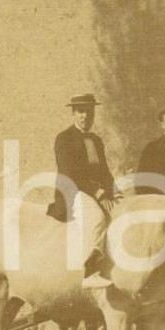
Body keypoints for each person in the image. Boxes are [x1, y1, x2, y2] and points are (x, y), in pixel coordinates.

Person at [46, 93, 116, 289]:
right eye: (81, 112)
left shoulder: (96, 140)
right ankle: (90, 271)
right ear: (74, 114)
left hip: (95, 192)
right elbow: (70, 173)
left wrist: (112, 191)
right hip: (73, 192)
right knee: (96, 217)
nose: (86, 116)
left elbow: (105, 170)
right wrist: (98, 192)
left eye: (89, 112)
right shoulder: (64, 138)